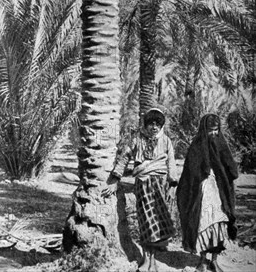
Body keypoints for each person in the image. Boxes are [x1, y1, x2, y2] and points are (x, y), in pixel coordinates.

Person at [102, 108, 178, 272]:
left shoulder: (165, 141)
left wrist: (172, 186)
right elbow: (124, 158)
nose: (154, 127)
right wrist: (115, 180)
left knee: (158, 223)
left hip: (161, 184)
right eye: (151, 123)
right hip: (143, 185)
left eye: (157, 124)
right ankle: (146, 259)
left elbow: (171, 163)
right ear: (146, 124)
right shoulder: (136, 139)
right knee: (146, 222)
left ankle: (153, 260)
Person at [177, 114, 238, 272]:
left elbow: (231, 168)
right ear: (204, 130)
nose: (213, 133)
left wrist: (225, 174)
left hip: (218, 192)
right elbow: (190, 171)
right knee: (203, 223)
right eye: (210, 130)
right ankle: (203, 260)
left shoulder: (221, 144)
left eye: (216, 130)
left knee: (219, 223)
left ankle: (215, 260)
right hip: (202, 190)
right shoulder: (197, 146)